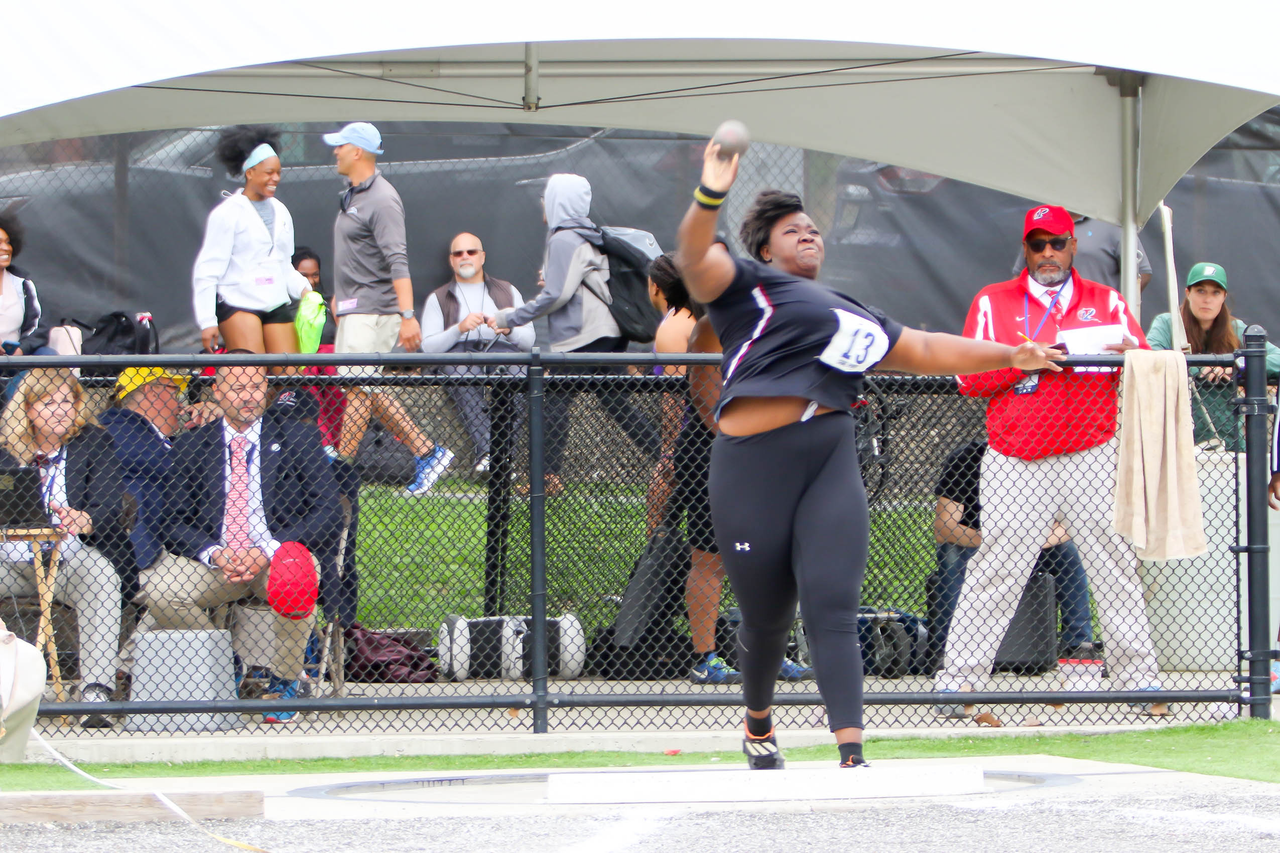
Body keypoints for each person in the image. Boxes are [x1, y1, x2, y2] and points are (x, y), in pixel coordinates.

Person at [676, 146, 1063, 769]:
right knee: (767, 619)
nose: (808, 233)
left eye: (814, 228)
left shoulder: (851, 311)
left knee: (832, 604)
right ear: (766, 249)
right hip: (750, 466)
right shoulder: (748, 287)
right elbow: (694, 257)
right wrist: (710, 193)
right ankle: (757, 722)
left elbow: (929, 348)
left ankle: (851, 753)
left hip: (829, 457)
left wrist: (1010, 355)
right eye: (791, 229)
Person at [937, 204, 1167, 720]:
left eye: (1056, 243)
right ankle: (959, 688)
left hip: (1090, 451)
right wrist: (1023, 359)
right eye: (1037, 244)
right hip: (1017, 458)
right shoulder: (994, 301)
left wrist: (1127, 353)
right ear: (1024, 248)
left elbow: (1147, 365)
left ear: (1074, 245)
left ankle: (1138, 682)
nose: (1047, 254)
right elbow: (966, 379)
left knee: (1115, 567)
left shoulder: (1106, 299)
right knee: (996, 571)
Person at [140, 361, 341, 724]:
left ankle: (284, 680)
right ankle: (225, 661)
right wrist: (215, 553)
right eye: (236, 388)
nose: (247, 397)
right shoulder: (193, 444)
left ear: (266, 390)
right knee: (159, 588)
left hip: (273, 558)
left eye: (254, 387)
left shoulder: (297, 436)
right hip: (218, 562)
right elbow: (171, 520)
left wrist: (267, 551)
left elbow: (328, 511)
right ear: (217, 392)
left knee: (300, 571)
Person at [491, 173, 659, 497]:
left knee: (552, 399)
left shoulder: (564, 237)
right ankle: (675, 463)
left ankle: (547, 478)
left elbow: (556, 295)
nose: (542, 203)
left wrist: (508, 317)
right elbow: (576, 282)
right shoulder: (586, 232)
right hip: (607, 332)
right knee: (618, 404)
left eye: (546, 196)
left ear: (558, 200)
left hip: (586, 336)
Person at [323, 122, 453, 495]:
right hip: (356, 306)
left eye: (341, 146)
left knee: (359, 385)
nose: (335, 151)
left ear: (358, 152)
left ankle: (342, 466)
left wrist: (408, 316)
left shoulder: (382, 198)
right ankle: (426, 450)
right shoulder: (352, 194)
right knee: (359, 384)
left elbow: (397, 261)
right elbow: (358, 255)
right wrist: (340, 295)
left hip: (375, 309)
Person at [0, 368, 131, 728]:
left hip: (65, 559)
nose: (60, 410)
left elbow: (110, 506)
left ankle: (94, 693)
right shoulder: (4, 449)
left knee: (101, 576)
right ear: (26, 409)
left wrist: (84, 519)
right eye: (48, 402)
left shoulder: (94, 442)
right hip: (9, 561)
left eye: (67, 401)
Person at [930, 439, 1096, 667]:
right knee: (951, 553)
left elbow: (1070, 524)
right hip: (979, 545)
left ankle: (1079, 645)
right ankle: (947, 650)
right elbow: (944, 527)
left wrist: (1031, 542)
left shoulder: (1054, 456)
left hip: (1035, 546)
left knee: (1068, 551)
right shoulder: (968, 457)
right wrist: (993, 541)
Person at [98, 368, 220, 597]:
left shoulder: (148, 437)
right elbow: (179, 469)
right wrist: (212, 433)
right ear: (151, 392)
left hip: (160, 547)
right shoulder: (120, 427)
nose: (179, 406)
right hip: (136, 555)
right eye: (176, 394)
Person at [421, 232, 534, 476]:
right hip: (460, 353)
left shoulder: (508, 290)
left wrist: (509, 329)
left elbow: (529, 340)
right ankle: (494, 455)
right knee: (458, 370)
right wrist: (458, 329)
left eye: (471, 252)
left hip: (502, 348)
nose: (465, 257)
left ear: (482, 257)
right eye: (458, 253)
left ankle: (495, 455)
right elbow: (428, 348)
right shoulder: (438, 297)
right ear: (451, 260)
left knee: (520, 373)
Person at [192, 125, 310, 358]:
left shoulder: (282, 211)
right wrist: (207, 320)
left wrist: (306, 291)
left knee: (290, 377)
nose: (275, 178)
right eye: (268, 172)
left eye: (278, 172)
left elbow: (284, 266)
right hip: (238, 303)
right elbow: (207, 270)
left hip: (275, 303)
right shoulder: (227, 213)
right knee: (251, 377)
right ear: (250, 172)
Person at [1148, 262, 1280, 451]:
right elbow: (1151, 357)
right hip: (1177, 439)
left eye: (1215, 293)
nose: (1207, 299)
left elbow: (1277, 358)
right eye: (1200, 291)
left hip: (1228, 438)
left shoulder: (1236, 329)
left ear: (1224, 297)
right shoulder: (1168, 323)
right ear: (1187, 293)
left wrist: (1236, 365)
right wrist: (1200, 368)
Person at [1012, 211, 1152, 292]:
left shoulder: (1111, 224)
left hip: (1097, 321)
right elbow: (1019, 276)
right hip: (1045, 318)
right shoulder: (1041, 224)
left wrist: (1112, 304)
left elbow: (1142, 273)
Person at [0, 211, 51, 357]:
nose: (6, 248)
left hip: (15, 363)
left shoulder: (23, 283)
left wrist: (22, 349)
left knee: (47, 355)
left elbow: (39, 326)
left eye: (8, 242)